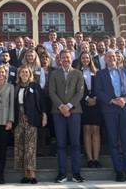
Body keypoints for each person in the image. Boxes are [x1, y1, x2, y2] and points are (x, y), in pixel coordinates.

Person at [95, 50, 126, 182]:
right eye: (108, 57)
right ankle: (119, 171)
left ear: (117, 58)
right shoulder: (100, 74)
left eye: (113, 56)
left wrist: (125, 99)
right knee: (113, 142)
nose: (111, 58)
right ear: (105, 59)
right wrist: (113, 100)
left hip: (125, 109)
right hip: (110, 109)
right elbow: (98, 91)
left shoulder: (125, 71)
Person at [49, 50, 85, 183]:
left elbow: (80, 92)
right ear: (59, 59)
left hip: (74, 112)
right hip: (58, 112)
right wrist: (61, 107)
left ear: (71, 59)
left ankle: (76, 173)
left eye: (68, 57)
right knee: (61, 144)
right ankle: (62, 173)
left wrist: (69, 106)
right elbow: (51, 92)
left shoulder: (78, 73)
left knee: (75, 143)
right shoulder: (54, 74)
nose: (65, 59)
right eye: (63, 57)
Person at [14, 65, 47, 184]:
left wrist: (44, 115)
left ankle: (32, 174)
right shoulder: (16, 87)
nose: (24, 74)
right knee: (21, 145)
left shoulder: (35, 86)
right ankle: (26, 175)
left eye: (26, 72)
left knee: (31, 146)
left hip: (31, 118)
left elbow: (41, 102)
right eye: (22, 72)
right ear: (19, 74)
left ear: (30, 74)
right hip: (18, 118)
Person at [76, 52, 102, 168]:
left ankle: (96, 158)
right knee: (86, 130)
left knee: (96, 130)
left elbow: (100, 87)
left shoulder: (97, 73)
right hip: (84, 104)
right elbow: (77, 89)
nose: (85, 59)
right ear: (80, 60)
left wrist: (95, 98)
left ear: (90, 59)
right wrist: (87, 98)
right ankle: (90, 159)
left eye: (87, 57)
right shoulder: (77, 73)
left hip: (96, 104)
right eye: (83, 58)